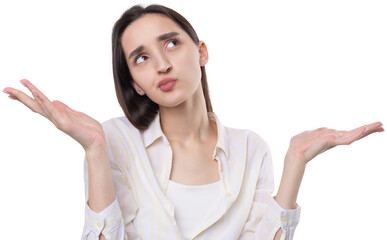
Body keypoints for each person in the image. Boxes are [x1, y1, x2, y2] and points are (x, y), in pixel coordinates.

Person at [3, 4, 384, 240]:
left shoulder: (251, 148)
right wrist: (95, 149)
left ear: (201, 52)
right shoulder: (114, 140)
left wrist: (296, 162)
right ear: (134, 83)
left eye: (171, 43)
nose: (162, 64)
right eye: (141, 58)